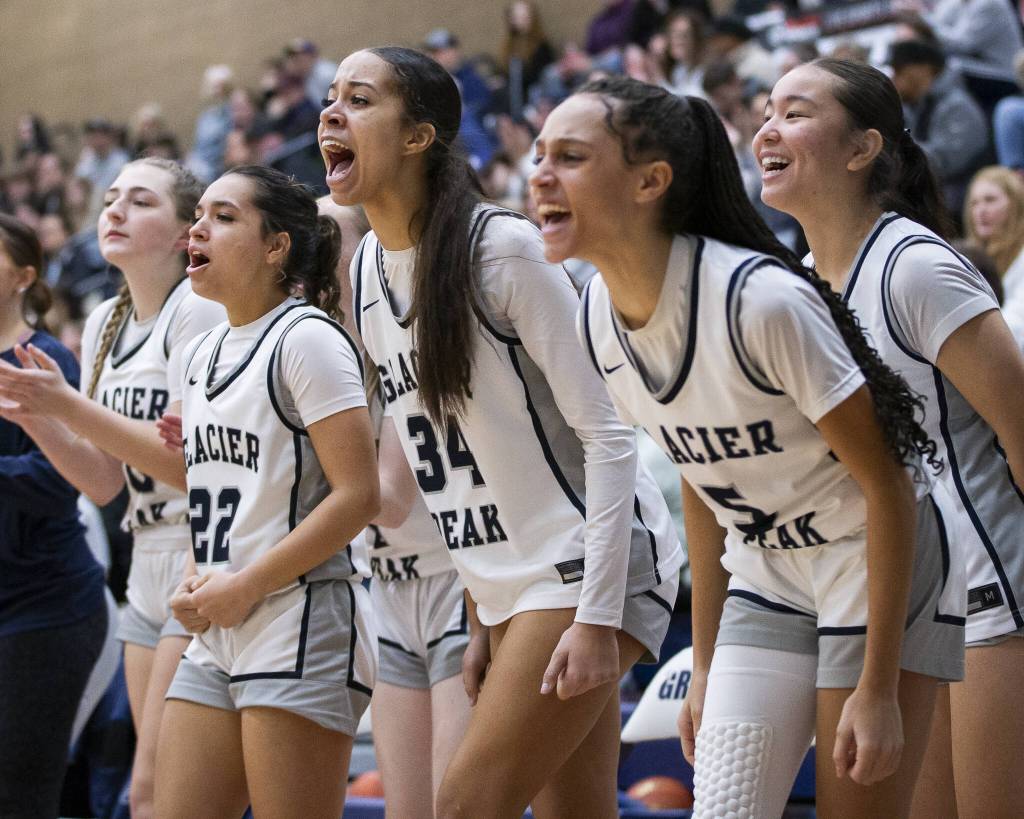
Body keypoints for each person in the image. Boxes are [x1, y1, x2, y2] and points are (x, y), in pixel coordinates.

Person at [531, 75, 963, 818]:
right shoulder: (596, 312)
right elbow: (701, 476)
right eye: (539, 153)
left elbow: (891, 485)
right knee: (725, 807)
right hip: (766, 568)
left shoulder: (758, 300)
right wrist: (703, 662)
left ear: (650, 182)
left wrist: (881, 685)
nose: (540, 174)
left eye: (570, 156)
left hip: (875, 556)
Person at [321, 47, 682, 817]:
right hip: (505, 586)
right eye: (330, 98)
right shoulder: (365, 275)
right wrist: (484, 613)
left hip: (587, 564)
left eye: (358, 98)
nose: (330, 113)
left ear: (419, 136)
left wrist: (595, 610)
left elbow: (612, 438)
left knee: (464, 804)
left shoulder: (503, 249)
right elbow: (444, 462)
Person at [754, 57, 1024, 818]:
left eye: (796, 112)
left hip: (993, 589)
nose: (767, 127)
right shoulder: (795, 284)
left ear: (863, 146)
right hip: (897, 605)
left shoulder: (916, 267)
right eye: (766, 110)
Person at [147, 165, 378, 818]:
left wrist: (246, 584)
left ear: (277, 246)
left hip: (297, 617)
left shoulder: (307, 338)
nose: (198, 227)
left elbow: (358, 496)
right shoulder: (199, 352)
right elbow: (212, 491)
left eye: (224, 217)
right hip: (219, 621)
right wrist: (198, 576)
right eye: (198, 215)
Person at [0, 158, 222, 819]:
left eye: (142, 201)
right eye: (111, 198)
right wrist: (35, 414)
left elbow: (190, 467)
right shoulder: (101, 323)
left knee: (160, 791)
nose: (115, 211)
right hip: (141, 557)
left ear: (187, 231)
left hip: (200, 548)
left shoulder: (199, 312)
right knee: (146, 793)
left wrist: (65, 407)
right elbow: (102, 481)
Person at [0, 214, 108, 819]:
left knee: (20, 795)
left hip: (46, 605)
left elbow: (59, 481)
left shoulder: (46, 360)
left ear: (24, 276)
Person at [888, 39, 988, 216]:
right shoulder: (914, 107)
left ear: (923, 69)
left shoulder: (957, 105)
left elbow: (946, 162)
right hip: (933, 201)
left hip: (962, 203)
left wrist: (891, 150)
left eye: (898, 71)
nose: (893, 79)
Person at [964, 166, 1024, 346]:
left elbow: (1017, 326)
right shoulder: (968, 257)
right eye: (974, 203)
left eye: (990, 200)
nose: (981, 210)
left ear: (1016, 204)